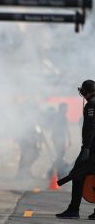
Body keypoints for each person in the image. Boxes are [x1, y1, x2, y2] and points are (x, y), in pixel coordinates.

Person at [56, 80, 95, 220]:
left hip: (91, 150)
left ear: (85, 91)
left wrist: (86, 149)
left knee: (77, 176)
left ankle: (73, 210)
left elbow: (91, 129)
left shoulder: (91, 105)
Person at [51, 103, 72, 176]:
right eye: (66, 108)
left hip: (57, 138)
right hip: (59, 138)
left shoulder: (57, 115)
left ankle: (56, 170)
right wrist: (69, 140)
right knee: (60, 155)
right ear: (61, 108)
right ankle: (54, 171)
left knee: (60, 155)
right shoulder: (62, 116)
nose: (67, 109)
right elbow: (66, 129)